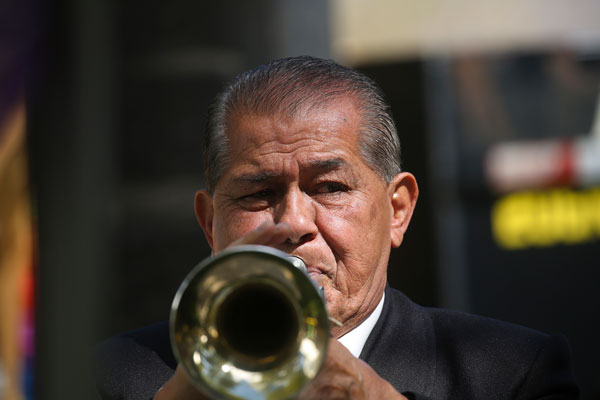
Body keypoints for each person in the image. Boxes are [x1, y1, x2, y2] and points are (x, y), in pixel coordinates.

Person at [95, 56, 579, 400]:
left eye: (329, 188)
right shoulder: (110, 378)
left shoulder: (514, 373)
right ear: (209, 223)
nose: (294, 222)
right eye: (257, 194)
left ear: (398, 211)